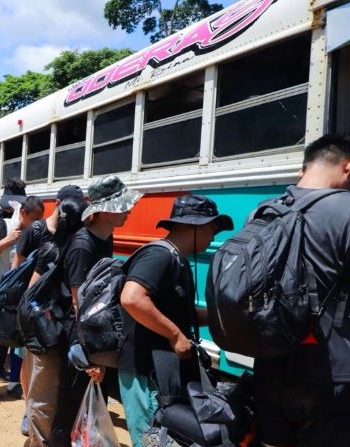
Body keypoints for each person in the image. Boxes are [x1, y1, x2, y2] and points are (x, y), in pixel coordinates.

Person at [100, 194, 232, 447]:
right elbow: (132, 298)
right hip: (145, 370)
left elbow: (179, 311)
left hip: (161, 370)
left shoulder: (176, 259)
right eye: (212, 229)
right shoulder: (159, 256)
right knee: (151, 440)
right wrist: (175, 335)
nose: (213, 237)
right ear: (195, 226)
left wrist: (220, 316)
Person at [252, 135, 350, 447]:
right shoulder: (346, 211)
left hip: (270, 359)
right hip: (331, 370)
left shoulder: (263, 211)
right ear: (347, 167)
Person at [48, 175, 142, 447]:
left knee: (83, 404)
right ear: (105, 210)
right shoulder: (83, 244)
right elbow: (79, 303)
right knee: (69, 405)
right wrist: (91, 355)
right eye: (123, 206)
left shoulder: (104, 237)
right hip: (82, 334)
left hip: (95, 332)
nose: (128, 210)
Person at [17, 186, 87, 443]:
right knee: (45, 395)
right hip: (45, 331)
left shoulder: (67, 247)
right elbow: (30, 292)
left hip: (52, 331)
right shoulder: (55, 247)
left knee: (47, 395)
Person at [0, 181, 44, 406]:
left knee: (19, 341)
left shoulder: (37, 233)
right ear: (23, 213)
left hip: (23, 298)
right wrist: (9, 240)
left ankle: (15, 382)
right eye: (34, 218)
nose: (37, 223)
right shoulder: (1, 226)